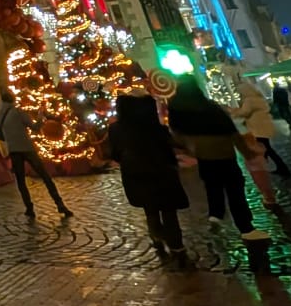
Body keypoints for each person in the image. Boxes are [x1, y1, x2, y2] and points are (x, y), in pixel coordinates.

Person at [107, 92, 191, 266]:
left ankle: (157, 238)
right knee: (169, 211)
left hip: (136, 173)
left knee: (150, 208)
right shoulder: (155, 128)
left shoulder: (116, 129)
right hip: (162, 171)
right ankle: (177, 247)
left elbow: (114, 154)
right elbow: (169, 147)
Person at [167, 78, 255, 233]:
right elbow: (232, 132)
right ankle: (245, 224)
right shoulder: (212, 107)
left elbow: (176, 134)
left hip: (204, 155)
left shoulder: (178, 109)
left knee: (212, 185)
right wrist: (247, 153)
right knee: (234, 188)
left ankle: (215, 214)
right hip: (225, 153)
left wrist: (187, 147)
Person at [0, 89, 72, 220]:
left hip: (13, 150)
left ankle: (29, 208)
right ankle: (60, 204)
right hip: (27, 148)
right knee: (45, 176)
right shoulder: (18, 112)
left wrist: (10, 138)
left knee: (21, 181)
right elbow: (35, 127)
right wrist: (41, 116)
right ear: (13, 99)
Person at [230, 80, 291, 177]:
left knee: (266, 149)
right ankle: (277, 168)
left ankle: (281, 170)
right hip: (264, 126)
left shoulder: (249, 100)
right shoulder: (258, 98)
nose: (239, 94)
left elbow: (245, 112)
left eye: (240, 92)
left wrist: (233, 112)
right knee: (266, 148)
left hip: (258, 128)